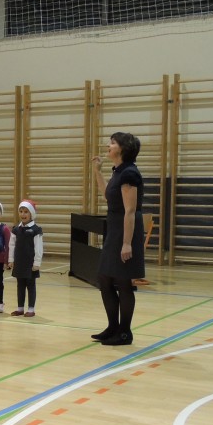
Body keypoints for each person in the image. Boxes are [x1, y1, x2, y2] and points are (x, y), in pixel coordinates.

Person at [91, 131, 145, 345]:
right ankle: (113, 327)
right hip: (115, 228)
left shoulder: (130, 173)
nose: (108, 145)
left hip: (125, 231)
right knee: (104, 279)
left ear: (122, 148)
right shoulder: (119, 171)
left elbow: (130, 210)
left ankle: (124, 332)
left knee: (123, 282)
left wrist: (127, 243)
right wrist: (97, 172)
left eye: (112, 143)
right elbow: (108, 196)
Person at [7, 200, 43, 317]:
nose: (23, 214)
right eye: (21, 211)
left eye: (26, 212)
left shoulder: (36, 230)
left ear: (31, 214)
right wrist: (11, 259)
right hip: (19, 262)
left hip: (30, 263)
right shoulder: (16, 229)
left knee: (31, 285)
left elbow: (38, 247)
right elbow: (11, 245)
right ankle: (20, 308)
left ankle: (31, 309)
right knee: (20, 285)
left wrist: (37, 262)